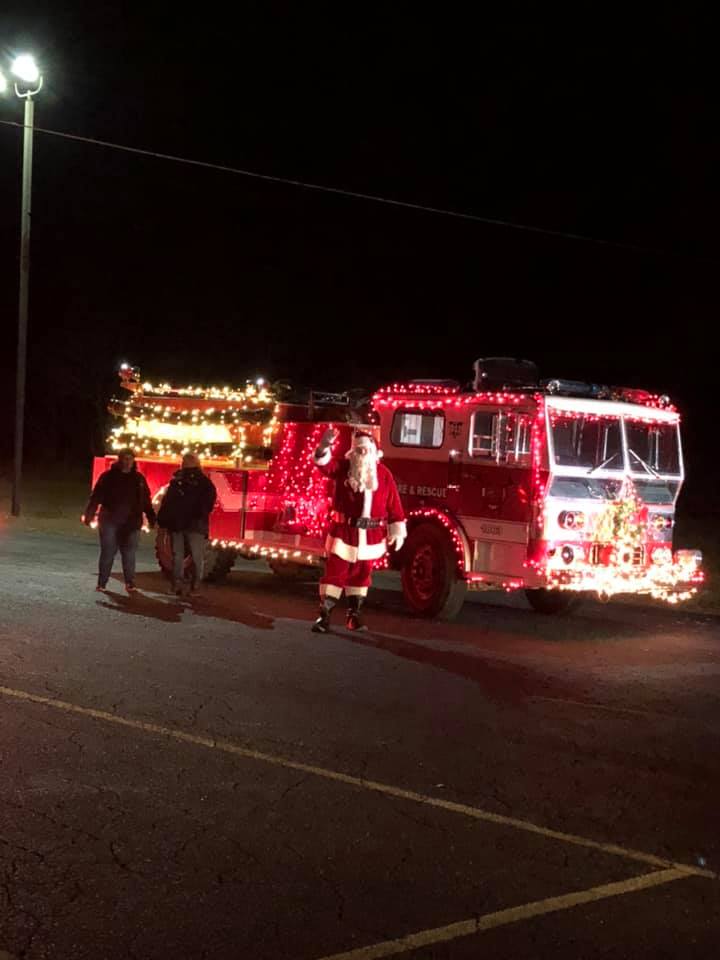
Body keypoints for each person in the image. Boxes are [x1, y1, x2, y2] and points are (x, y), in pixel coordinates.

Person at [312, 427, 406, 632]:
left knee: (361, 576)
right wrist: (324, 446)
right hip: (344, 534)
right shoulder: (343, 468)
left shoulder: (384, 474)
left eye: (366, 450)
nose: (362, 453)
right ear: (352, 452)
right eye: (359, 450)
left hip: (371, 536)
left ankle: (354, 617)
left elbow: (394, 504)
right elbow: (324, 465)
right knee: (335, 574)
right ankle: (324, 617)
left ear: (374, 452)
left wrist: (397, 529)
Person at [83, 448, 156, 593]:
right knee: (108, 552)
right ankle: (102, 583)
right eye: (125, 458)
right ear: (119, 459)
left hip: (132, 522)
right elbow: (96, 496)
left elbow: (145, 500)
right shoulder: (108, 477)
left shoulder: (138, 479)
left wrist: (151, 517)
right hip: (110, 521)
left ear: (133, 461)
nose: (127, 462)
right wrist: (89, 514)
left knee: (129, 554)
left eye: (130, 459)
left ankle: (130, 582)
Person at [157, 453, 217, 596]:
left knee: (180, 556)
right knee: (194, 557)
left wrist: (162, 519)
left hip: (182, 523)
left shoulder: (178, 481)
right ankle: (193, 586)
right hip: (191, 524)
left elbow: (167, 502)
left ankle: (178, 585)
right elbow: (208, 503)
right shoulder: (203, 482)